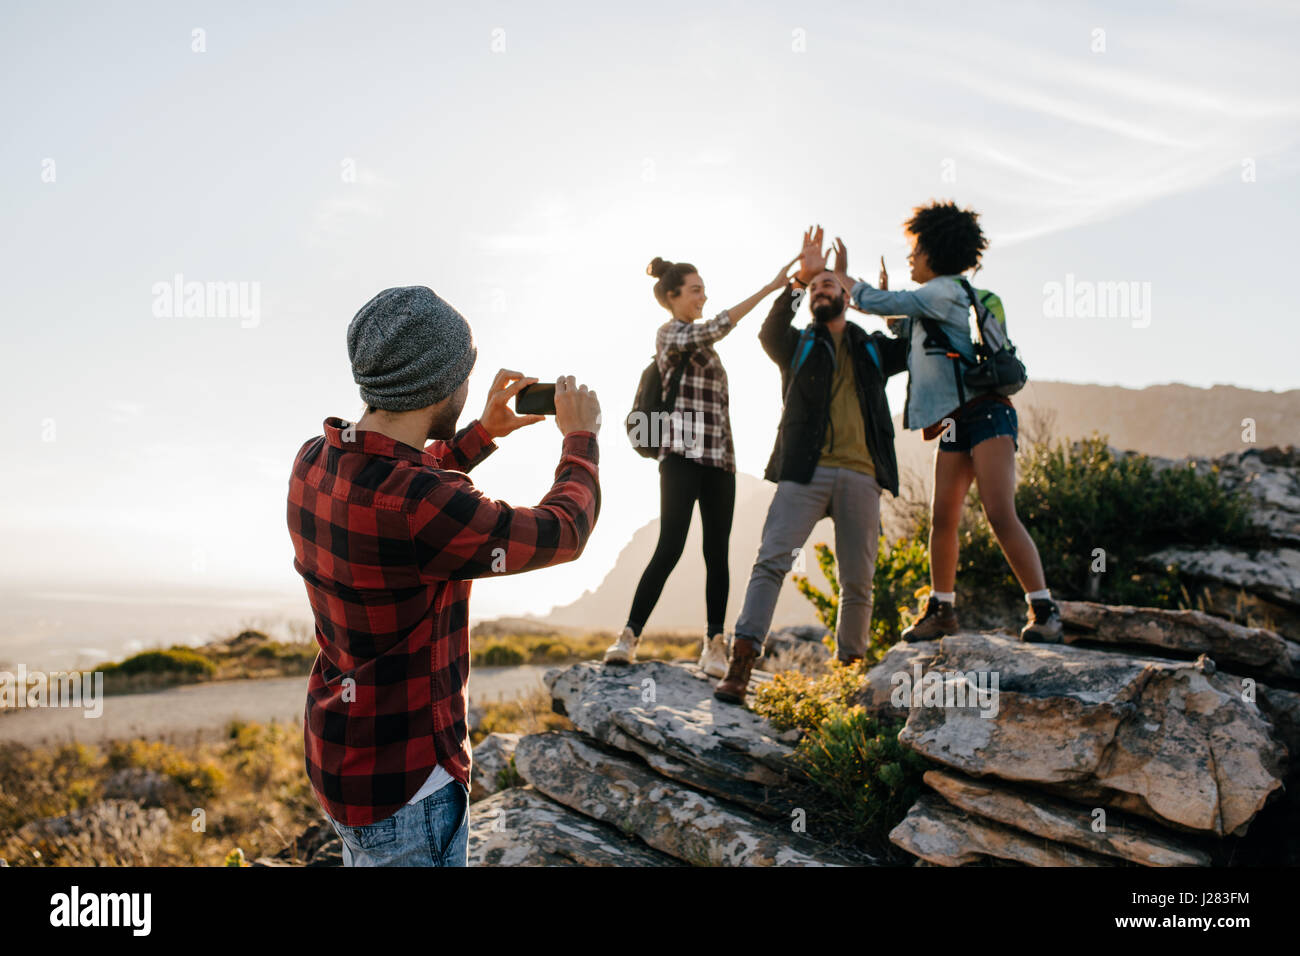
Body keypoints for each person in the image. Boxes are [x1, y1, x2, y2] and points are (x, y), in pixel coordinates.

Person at [287, 285, 602, 866]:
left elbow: (402, 486)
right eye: (465, 374)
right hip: (411, 785)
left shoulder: (313, 461)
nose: (467, 387)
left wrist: (482, 433)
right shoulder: (424, 503)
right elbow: (565, 531)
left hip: (340, 758)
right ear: (441, 386)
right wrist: (581, 438)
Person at [829, 200, 1062, 642]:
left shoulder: (945, 290)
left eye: (914, 251)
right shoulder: (934, 300)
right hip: (955, 421)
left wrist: (845, 277)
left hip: (987, 413)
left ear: (934, 252)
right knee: (944, 520)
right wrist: (880, 304)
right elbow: (907, 328)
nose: (909, 259)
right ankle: (942, 610)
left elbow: (887, 301)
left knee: (999, 512)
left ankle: (1044, 610)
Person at [713, 226, 910, 706]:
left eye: (831, 285)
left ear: (847, 294)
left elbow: (910, 347)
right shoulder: (797, 344)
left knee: (857, 582)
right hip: (803, 471)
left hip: (863, 476)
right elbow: (767, 332)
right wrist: (797, 282)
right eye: (816, 287)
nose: (822, 291)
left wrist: (880, 303)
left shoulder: (871, 348)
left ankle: (849, 676)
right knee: (771, 563)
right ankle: (741, 665)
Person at [604, 256, 797, 675]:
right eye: (695, 289)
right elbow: (720, 326)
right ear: (672, 297)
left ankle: (714, 645)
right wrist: (769, 287)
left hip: (720, 460)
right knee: (669, 545)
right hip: (680, 455)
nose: (703, 296)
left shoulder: (704, 347)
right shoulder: (670, 334)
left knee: (717, 553)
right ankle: (629, 636)